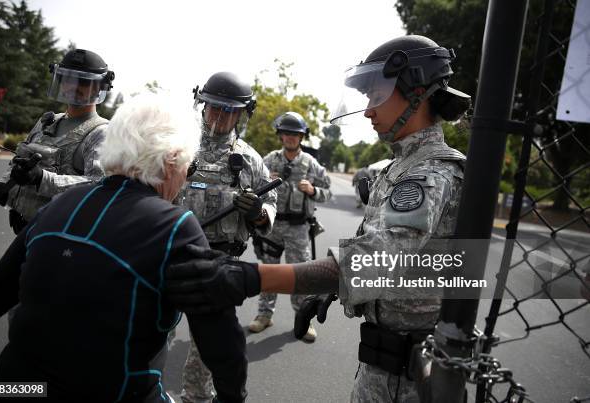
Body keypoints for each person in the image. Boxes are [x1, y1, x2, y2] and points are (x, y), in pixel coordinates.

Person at [165, 35, 472, 403]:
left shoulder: (428, 174)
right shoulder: (403, 166)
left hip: (407, 375)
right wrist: (325, 291)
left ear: (415, 93)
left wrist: (247, 276)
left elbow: (371, 260)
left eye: (376, 97)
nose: (369, 111)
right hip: (386, 360)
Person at [0, 93, 249, 403]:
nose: (184, 181)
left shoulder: (58, 205)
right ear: (173, 160)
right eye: (188, 168)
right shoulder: (175, 227)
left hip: (14, 387)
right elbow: (221, 340)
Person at [176, 71, 277, 403]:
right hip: (169, 252)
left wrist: (256, 211)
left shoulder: (249, 159)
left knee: (205, 347)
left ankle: (196, 398)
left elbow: (268, 210)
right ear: (202, 106)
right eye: (213, 107)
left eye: (228, 110)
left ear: (241, 114)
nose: (218, 116)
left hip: (217, 261)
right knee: (150, 328)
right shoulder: (177, 144)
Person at [0, 49, 114, 234]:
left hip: (60, 235)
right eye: (67, 79)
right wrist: (4, 184)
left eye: (83, 81)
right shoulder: (48, 121)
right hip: (24, 229)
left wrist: (42, 178)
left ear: (99, 88)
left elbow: (98, 185)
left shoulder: (101, 132)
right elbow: (21, 160)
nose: (73, 86)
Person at [249, 112, 331, 341]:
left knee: (301, 276)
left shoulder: (311, 164)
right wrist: (266, 182)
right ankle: (264, 315)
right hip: (273, 226)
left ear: (302, 137)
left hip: (298, 229)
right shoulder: (269, 160)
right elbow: (252, 188)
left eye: (295, 134)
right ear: (280, 135)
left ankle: (304, 319)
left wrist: (313, 191)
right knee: (269, 272)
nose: (290, 138)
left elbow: (328, 192)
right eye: (286, 133)